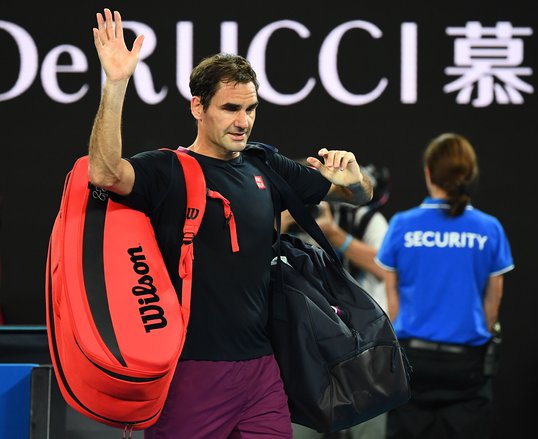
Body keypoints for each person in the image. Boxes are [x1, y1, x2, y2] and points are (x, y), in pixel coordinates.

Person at [88, 9, 372, 439]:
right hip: (189, 373)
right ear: (198, 107)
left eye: (251, 108)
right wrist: (115, 83)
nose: (243, 121)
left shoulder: (266, 166)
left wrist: (356, 182)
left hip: (261, 372)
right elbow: (105, 173)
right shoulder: (168, 171)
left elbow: (355, 194)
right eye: (231, 108)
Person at [375, 133, 514, 439]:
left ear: (428, 172)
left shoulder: (402, 224)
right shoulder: (489, 229)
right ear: (469, 174)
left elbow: (392, 302)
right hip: (467, 365)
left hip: (413, 362)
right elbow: (494, 299)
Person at [286, 164, 391, 439]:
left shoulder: (364, 220)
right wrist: (282, 219)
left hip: (361, 346)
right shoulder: (282, 218)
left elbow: (386, 268)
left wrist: (333, 233)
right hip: (304, 352)